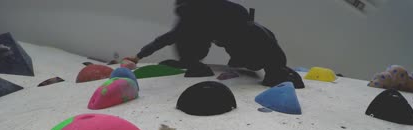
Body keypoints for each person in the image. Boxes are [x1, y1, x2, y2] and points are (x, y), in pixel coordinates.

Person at [126, 0, 304, 88]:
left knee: (262, 64)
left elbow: (262, 37)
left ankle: (274, 71)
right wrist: (139, 55)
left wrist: (277, 68)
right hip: (241, 48)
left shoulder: (219, 14)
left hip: (250, 50)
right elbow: (168, 38)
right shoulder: (195, 19)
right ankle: (191, 63)